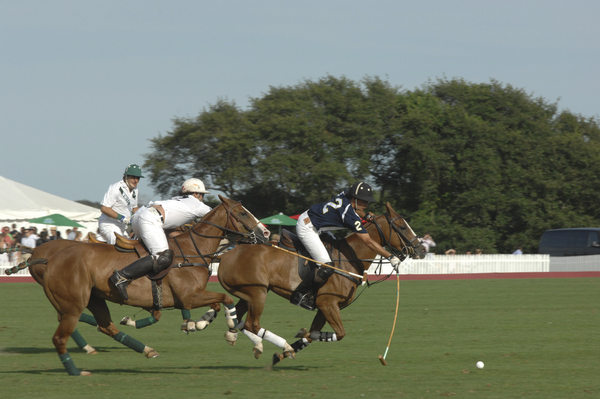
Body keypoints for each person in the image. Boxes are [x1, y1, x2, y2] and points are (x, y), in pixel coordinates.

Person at [290, 182, 402, 310]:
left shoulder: (346, 195)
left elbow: (354, 208)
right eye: (363, 201)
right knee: (326, 265)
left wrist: (365, 216)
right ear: (354, 199)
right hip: (307, 227)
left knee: (339, 251)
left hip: (316, 221)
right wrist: (390, 256)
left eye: (367, 202)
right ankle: (300, 294)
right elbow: (368, 241)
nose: (366, 205)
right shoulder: (349, 216)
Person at [110, 178, 211, 301]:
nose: (202, 199)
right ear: (196, 194)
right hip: (150, 219)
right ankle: (121, 276)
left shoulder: (176, 200)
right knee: (163, 257)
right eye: (202, 196)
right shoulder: (197, 204)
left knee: (153, 252)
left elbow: (171, 232)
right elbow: (217, 215)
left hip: (139, 217)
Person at [98, 164, 143, 245]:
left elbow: (134, 208)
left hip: (122, 227)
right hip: (108, 224)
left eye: (138, 178)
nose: (136, 180)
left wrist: (145, 213)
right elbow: (104, 208)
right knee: (120, 247)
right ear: (126, 176)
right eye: (133, 177)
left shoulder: (135, 189)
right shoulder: (116, 188)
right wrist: (122, 218)